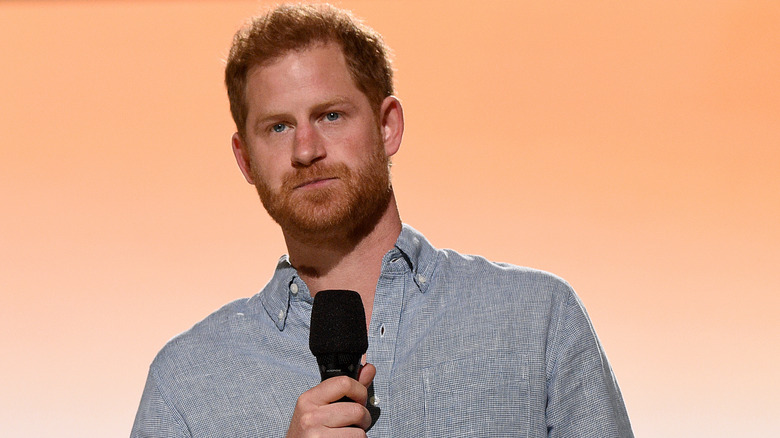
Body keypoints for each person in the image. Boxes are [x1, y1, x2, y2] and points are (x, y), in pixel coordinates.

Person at [131, 4, 633, 437]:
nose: (306, 150)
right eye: (278, 126)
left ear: (388, 125)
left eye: (330, 115)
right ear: (244, 159)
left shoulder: (535, 321)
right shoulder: (187, 382)